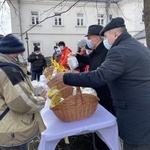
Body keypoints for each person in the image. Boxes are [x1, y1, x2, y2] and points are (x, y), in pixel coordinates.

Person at [54, 17, 150, 150]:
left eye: (105, 37)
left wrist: (66, 77)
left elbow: (99, 76)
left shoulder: (119, 51)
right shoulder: (137, 46)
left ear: (115, 34)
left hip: (134, 116)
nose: (106, 41)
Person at [0, 34, 47, 150]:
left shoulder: (5, 66)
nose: (21, 56)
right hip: (13, 132)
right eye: (20, 53)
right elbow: (21, 102)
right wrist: (42, 100)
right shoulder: (9, 71)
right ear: (13, 52)